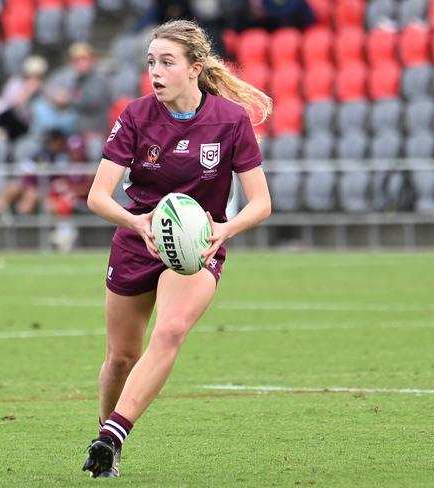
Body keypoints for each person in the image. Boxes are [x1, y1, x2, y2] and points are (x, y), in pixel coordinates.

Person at [81, 19, 272, 478]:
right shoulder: (135, 115)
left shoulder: (230, 121)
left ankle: (110, 438)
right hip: (137, 238)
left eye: (167, 62)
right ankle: (106, 433)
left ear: (195, 69)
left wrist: (224, 230)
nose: (156, 71)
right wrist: (135, 221)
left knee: (169, 332)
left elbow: (262, 203)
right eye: (151, 62)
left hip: (198, 248)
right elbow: (97, 196)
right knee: (121, 357)